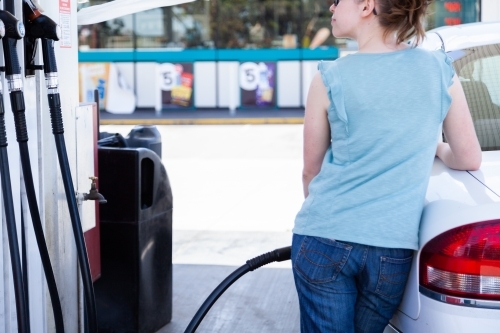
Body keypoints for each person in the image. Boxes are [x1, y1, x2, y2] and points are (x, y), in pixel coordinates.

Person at [291, 0, 482, 332]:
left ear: (366, 5)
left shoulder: (329, 76)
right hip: (391, 251)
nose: (331, 7)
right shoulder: (438, 69)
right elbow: (468, 157)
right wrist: (432, 146)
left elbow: (311, 171)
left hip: (325, 239)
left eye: (337, 1)